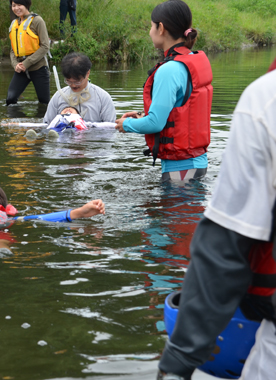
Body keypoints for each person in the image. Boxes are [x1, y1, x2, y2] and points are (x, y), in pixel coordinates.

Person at [155, 56, 276, 380]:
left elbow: (225, 246)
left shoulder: (266, 99)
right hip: (198, 162)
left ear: (160, 29)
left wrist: (179, 356)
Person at [115, 0, 212, 183]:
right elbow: (178, 110)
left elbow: (156, 123)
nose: (150, 32)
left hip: (181, 170)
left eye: (151, 26)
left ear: (161, 28)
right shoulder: (191, 60)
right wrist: (141, 117)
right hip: (197, 163)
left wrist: (125, 125)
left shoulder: (169, 70)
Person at [44, 53, 116, 124]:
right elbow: (47, 124)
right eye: (68, 81)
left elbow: (110, 128)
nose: (73, 85)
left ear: (87, 73)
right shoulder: (58, 97)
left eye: (77, 81)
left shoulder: (102, 98)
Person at [6, 0, 50, 106]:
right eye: (14, 5)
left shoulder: (37, 21)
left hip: (38, 67)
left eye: (19, 5)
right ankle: (17, 122)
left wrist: (26, 64)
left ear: (26, 5)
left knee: (44, 102)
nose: (16, 8)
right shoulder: (14, 24)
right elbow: (13, 50)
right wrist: (15, 64)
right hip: (21, 69)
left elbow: (45, 46)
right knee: (10, 100)